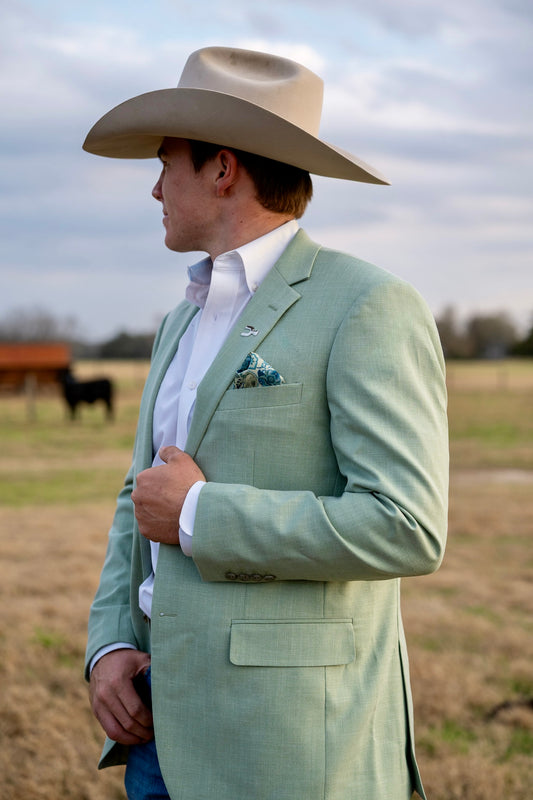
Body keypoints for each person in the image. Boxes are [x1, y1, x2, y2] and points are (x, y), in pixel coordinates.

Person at [83, 46, 448, 800]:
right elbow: (138, 496)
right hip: (156, 726)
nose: (153, 187)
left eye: (166, 163)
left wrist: (198, 511)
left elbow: (405, 524)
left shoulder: (364, 304)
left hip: (287, 743)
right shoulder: (175, 323)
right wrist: (111, 643)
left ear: (221, 169)